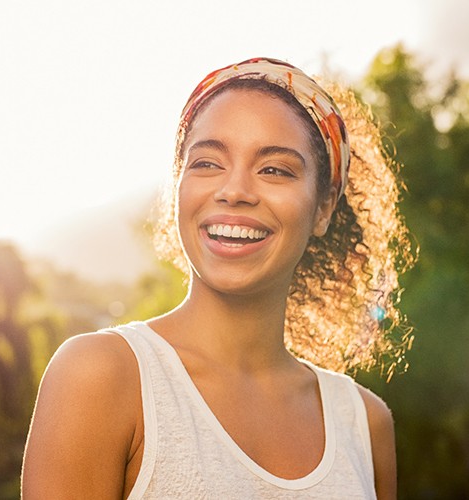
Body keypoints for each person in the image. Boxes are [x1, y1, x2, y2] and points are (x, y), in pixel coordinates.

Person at [22, 57, 413, 499]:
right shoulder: (101, 377)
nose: (234, 191)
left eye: (274, 169)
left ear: (323, 207)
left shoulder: (364, 423)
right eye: (207, 163)